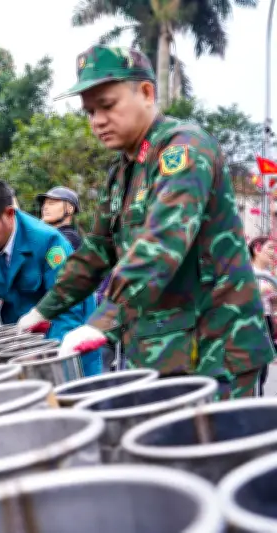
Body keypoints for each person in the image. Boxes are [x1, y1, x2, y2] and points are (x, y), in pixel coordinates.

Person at [17, 44, 274, 398]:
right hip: (161, 350)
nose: (97, 121)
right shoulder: (122, 172)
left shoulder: (184, 148)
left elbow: (163, 240)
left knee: (213, 437)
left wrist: (103, 320)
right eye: (89, 111)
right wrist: (43, 310)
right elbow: (96, 252)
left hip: (215, 350)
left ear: (147, 93)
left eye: (107, 105)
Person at [0, 178, 102, 376]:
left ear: (9, 214)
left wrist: (50, 361)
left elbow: (67, 310)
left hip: (68, 335)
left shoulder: (48, 242)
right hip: (22, 343)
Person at [249, 236, 276, 394]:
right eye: (270, 248)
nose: (274, 253)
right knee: (255, 371)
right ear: (257, 249)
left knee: (263, 370)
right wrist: (262, 291)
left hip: (267, 320)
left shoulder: (268, 274)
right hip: (252, 323)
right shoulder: (247, 271)